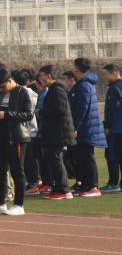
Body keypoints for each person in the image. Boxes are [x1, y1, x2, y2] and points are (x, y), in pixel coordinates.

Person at [0, 67, 33, 216]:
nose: (1, 89)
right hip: (0, 135)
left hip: (16, 137)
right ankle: (0, 203)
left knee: (17, 171)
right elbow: (1, 109)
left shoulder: (23, 92)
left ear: (10, 81)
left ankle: (19, 204)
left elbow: (29, 114)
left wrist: (6, 114)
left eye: (3, 86)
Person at [36, 64, 76, 200]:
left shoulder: (57, 90)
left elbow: (60, 110)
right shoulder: (53, 89)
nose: (39, 79)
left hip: (59, 132)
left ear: (48, 76)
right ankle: (58, 188)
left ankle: (64, 190)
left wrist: (41, 112)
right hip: (55, 131)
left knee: (57, 160)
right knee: (54, 160)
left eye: (41, 76)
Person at [67, 57, 106, 197]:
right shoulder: (83, 84)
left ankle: (93, 187)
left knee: (87, 157)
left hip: (86, 128)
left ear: (77, 68)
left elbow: (81, 108)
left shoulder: (84, 85)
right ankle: (85, 185)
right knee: (82, 157)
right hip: (85, 126)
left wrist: (75, 127)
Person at [104, 63, 122, 193]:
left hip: (116, 128)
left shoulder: (114, 88)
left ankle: (113, 183)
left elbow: (112, 110)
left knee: (111, 155)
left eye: (106, 74)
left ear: (114, 73)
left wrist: (107, 126)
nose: (104, 77)